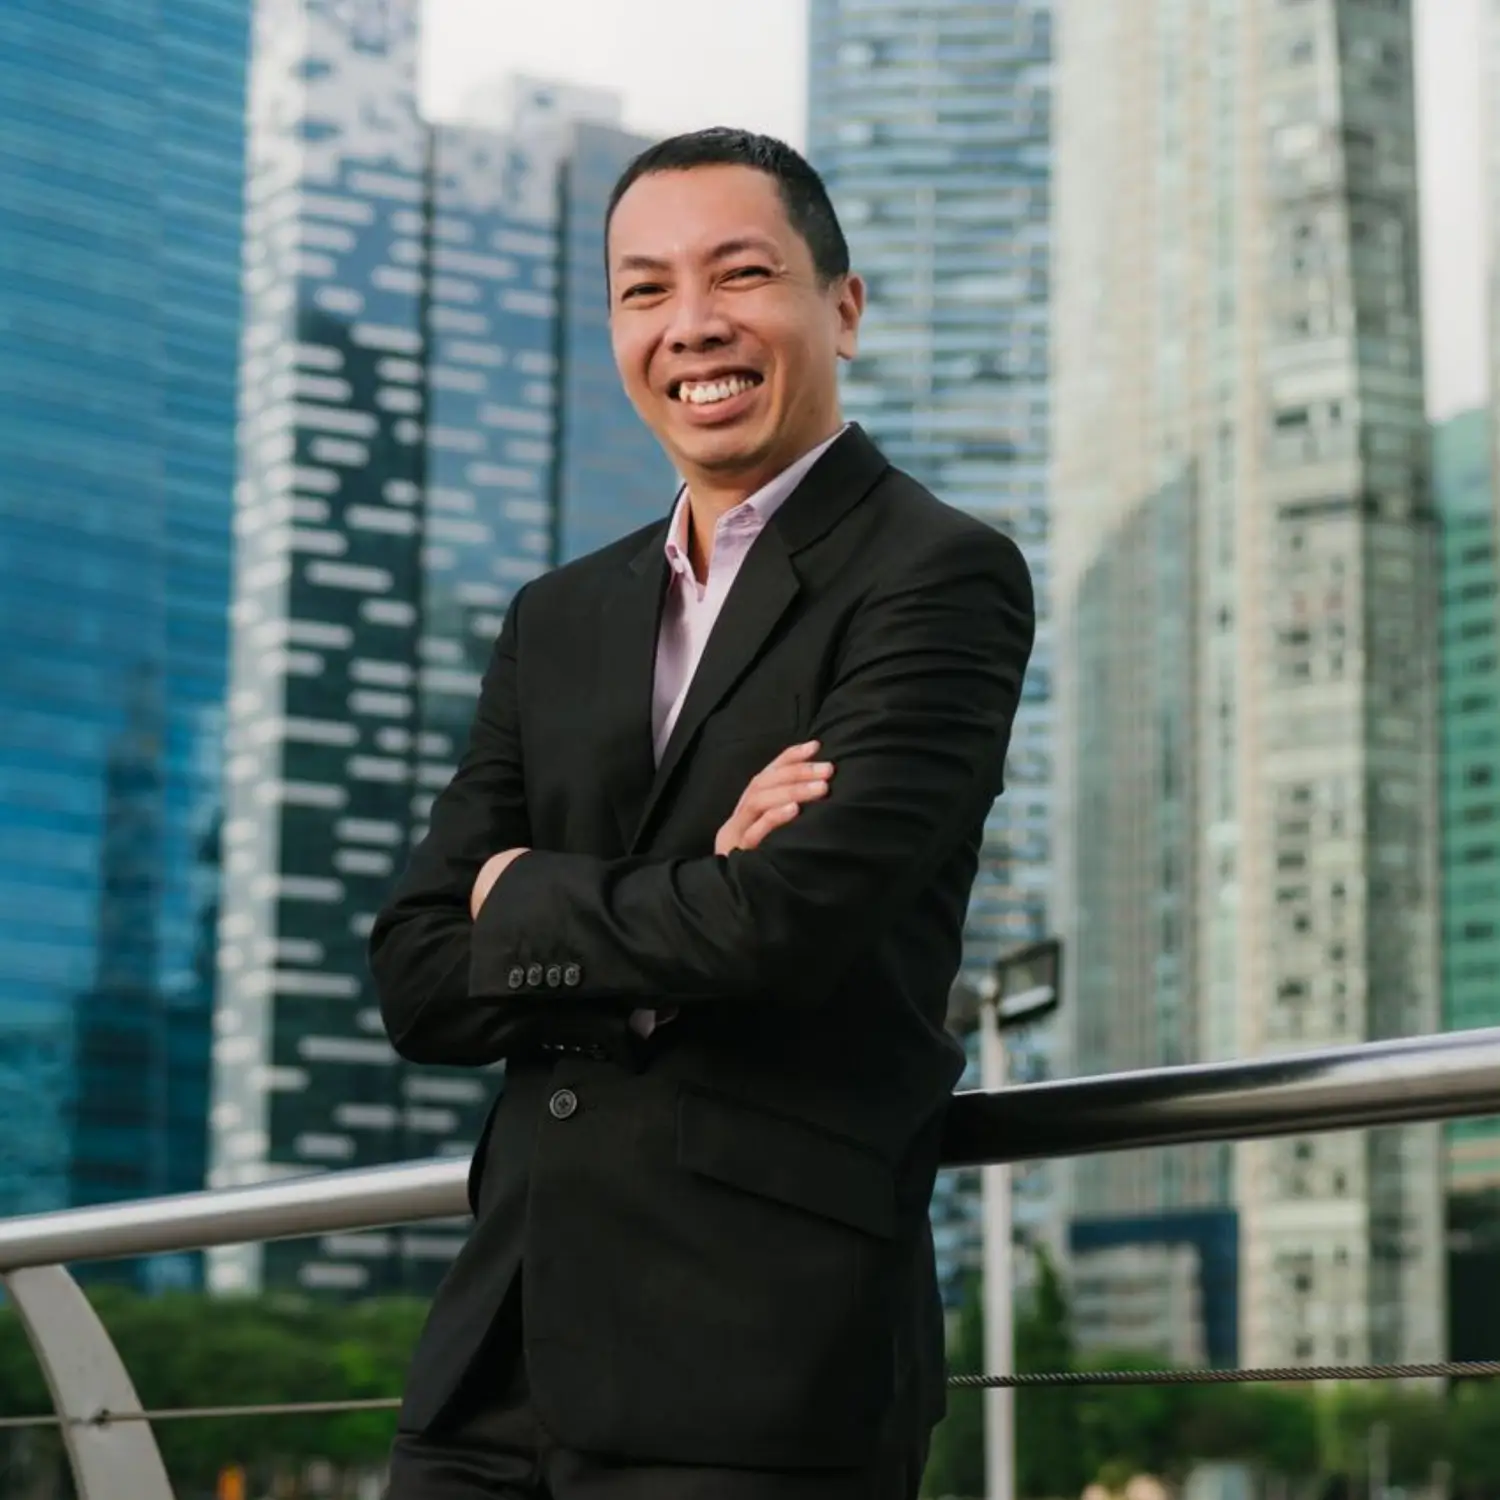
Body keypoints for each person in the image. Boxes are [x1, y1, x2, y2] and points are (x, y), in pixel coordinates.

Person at [372, 127, 1035, 1499]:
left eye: (740, 274)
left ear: (842, 308)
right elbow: (419, 972)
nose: (692, 325)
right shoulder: (557, 617)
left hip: (761, 1362)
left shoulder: (938, 576)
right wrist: (700, 883)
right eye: (644, 289)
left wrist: (524, 894)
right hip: (496, 1358)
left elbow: (786, 925)